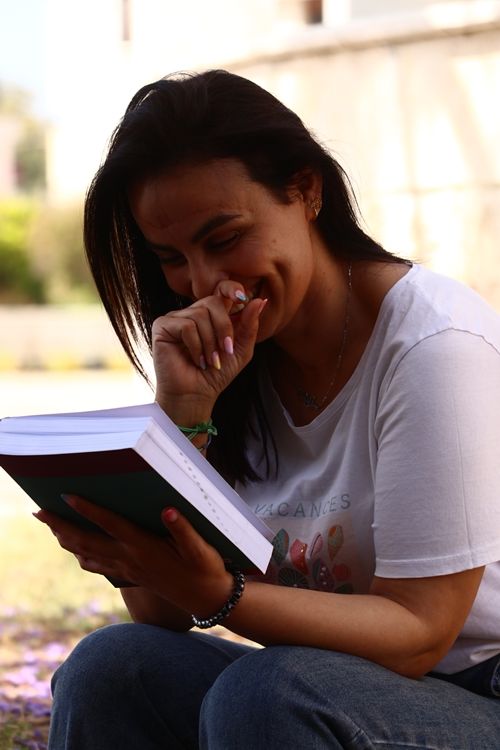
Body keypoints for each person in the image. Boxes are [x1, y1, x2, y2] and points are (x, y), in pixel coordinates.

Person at [36, 70, 500, 749]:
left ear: (306, 190)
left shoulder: (435, 345)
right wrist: (181, 417)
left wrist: (221, 596)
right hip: (327, 682)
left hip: (475, 692)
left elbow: (419, 633)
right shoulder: (235, 360)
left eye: (224, 239)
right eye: (171, 257)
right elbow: (158, 614)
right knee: (110, 668)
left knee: (266, 694)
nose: (203, 283)